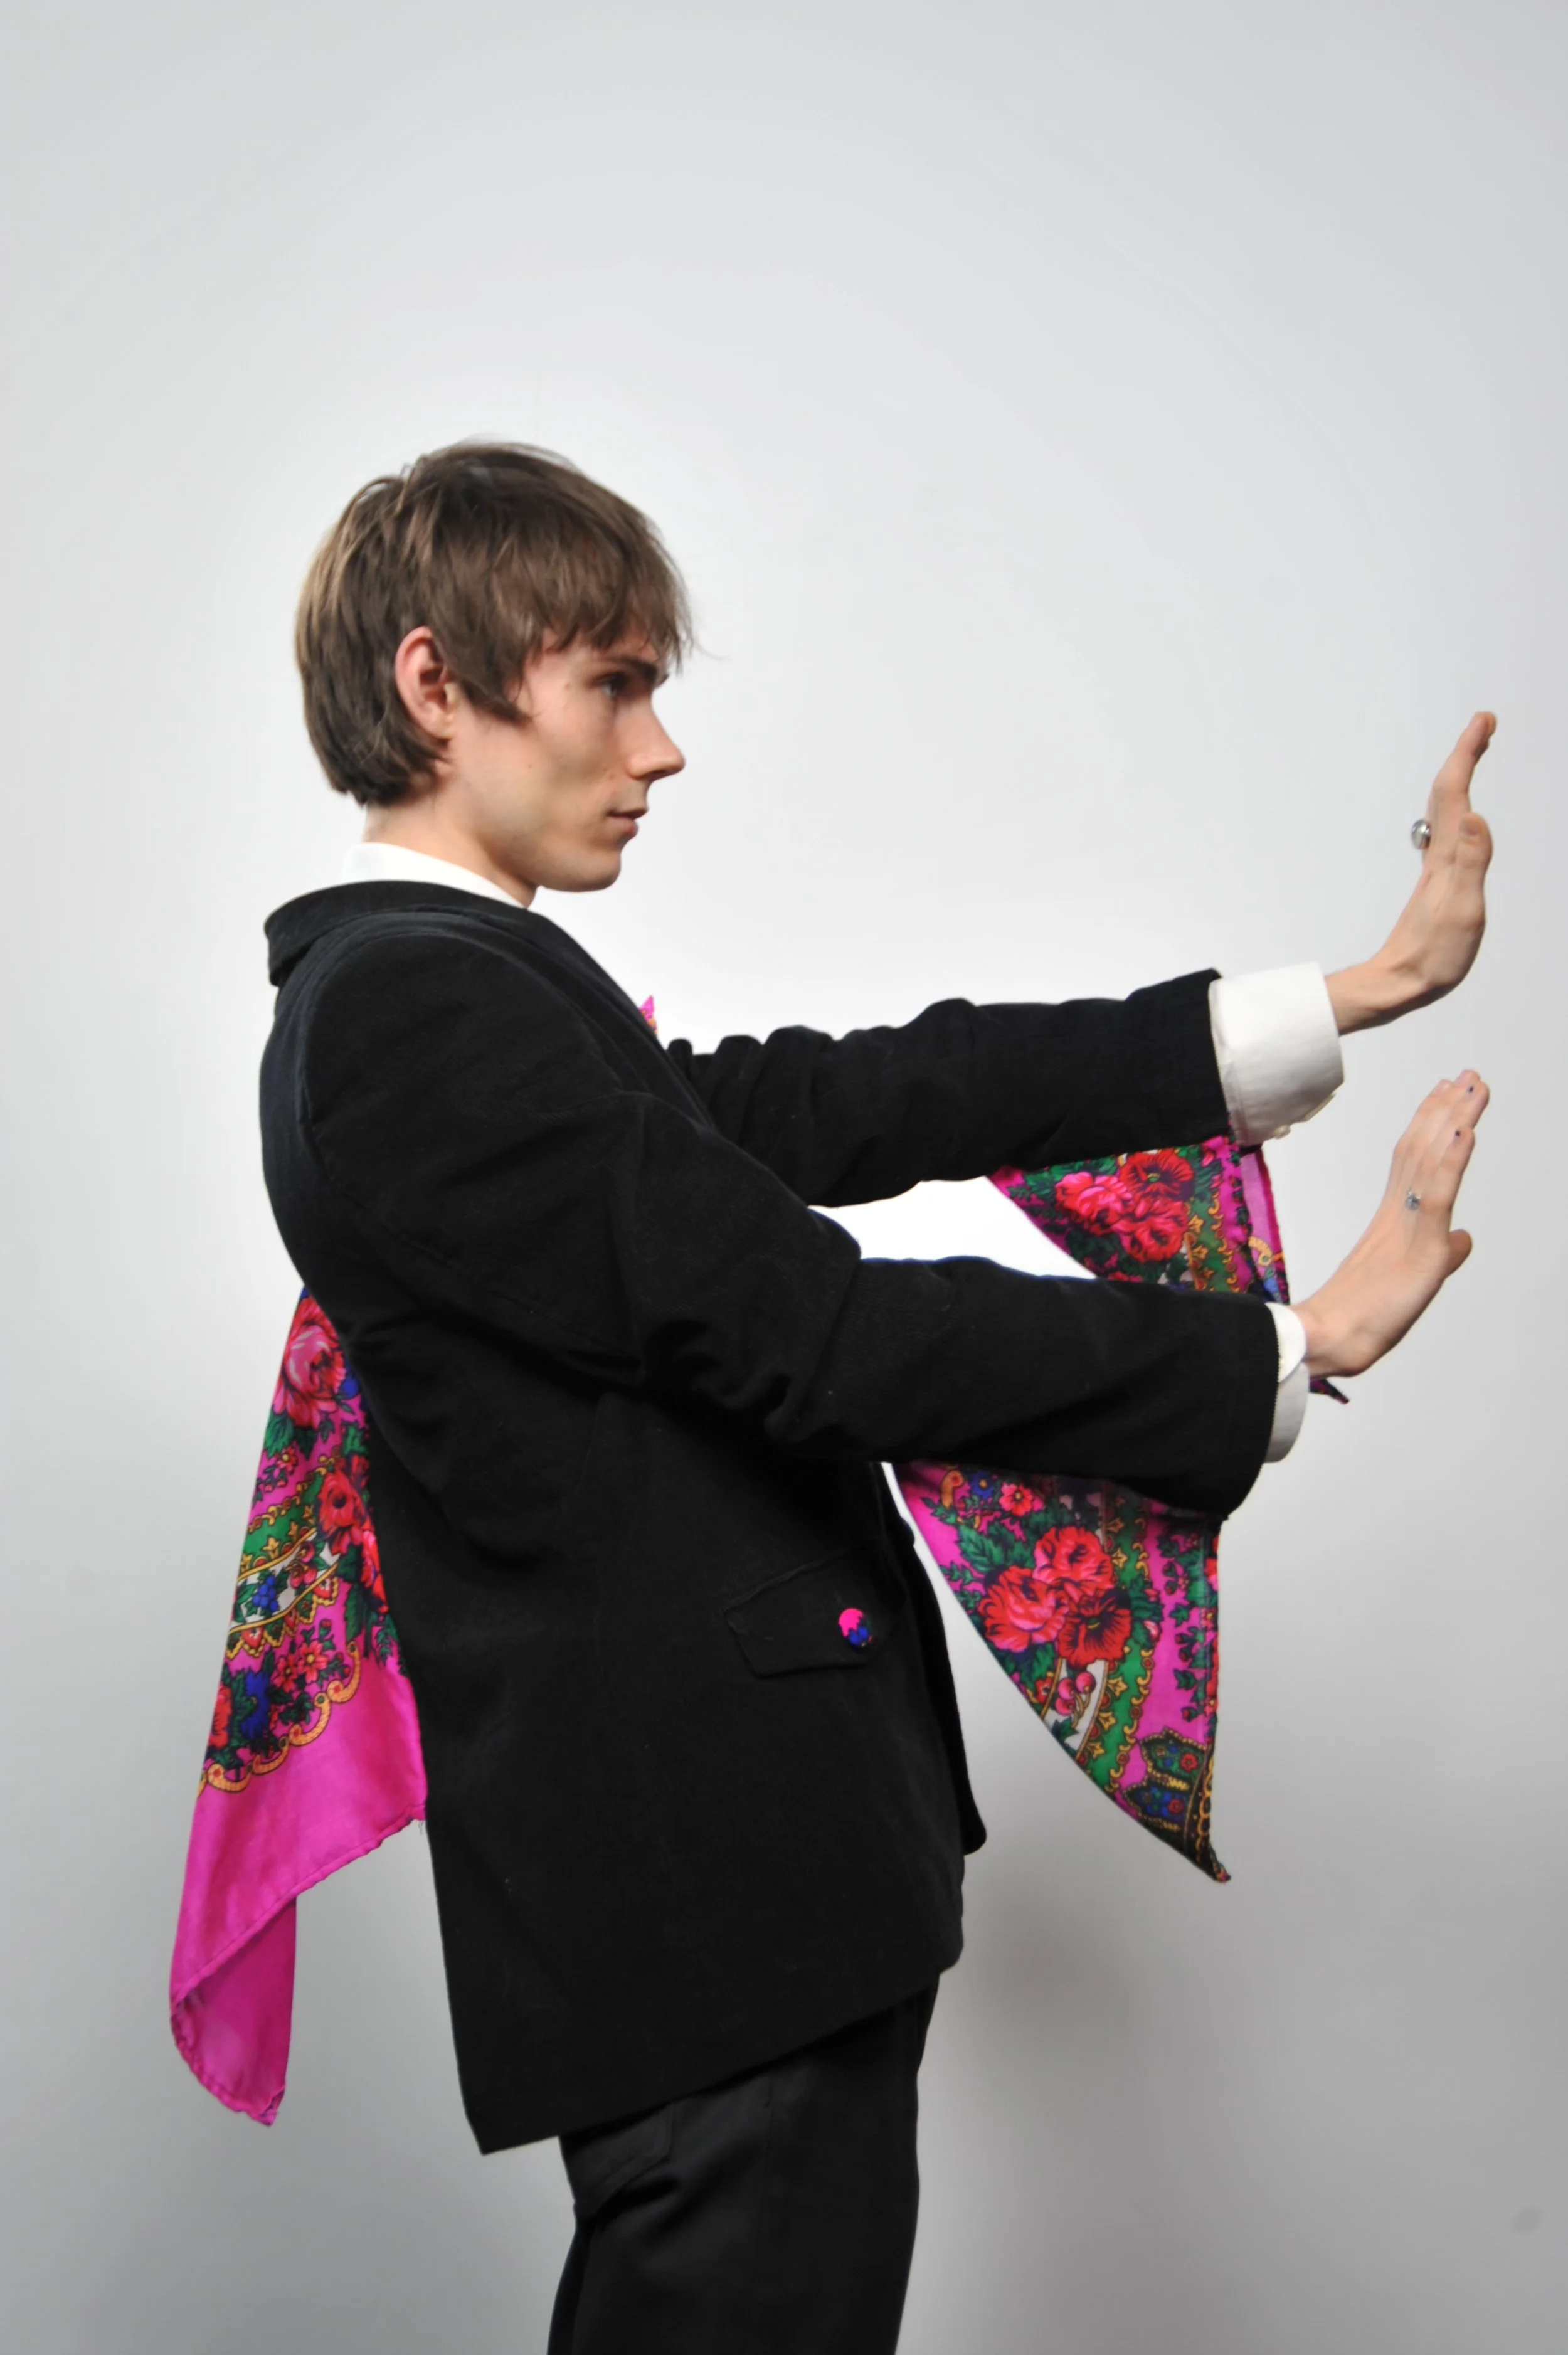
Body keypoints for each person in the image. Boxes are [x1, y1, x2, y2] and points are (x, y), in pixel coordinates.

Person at [266, 442, 1492, 2354]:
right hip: (709, 1903)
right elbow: (811, 1334)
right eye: (615, 683)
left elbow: (858, 1098)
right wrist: (1288, 1343)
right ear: (438, 686)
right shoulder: (415, 1012)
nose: (661, 747)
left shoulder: (463, 992)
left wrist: (1333, 998)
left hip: (736, 1892)